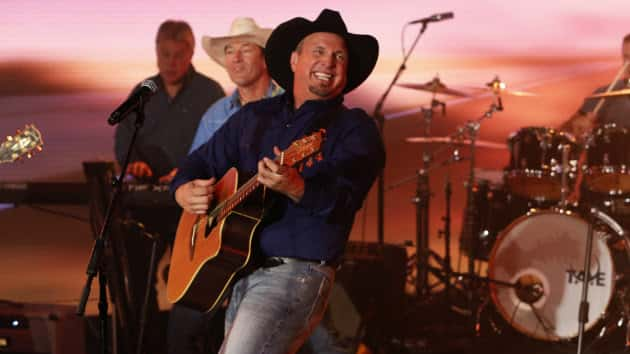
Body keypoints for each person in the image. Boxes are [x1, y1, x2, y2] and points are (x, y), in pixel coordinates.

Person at [170, 8, 384, 354]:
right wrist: (182, 189)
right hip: (240, 272)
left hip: (296, 274)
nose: (328, 62)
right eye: (319, 52)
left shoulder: (354, 129)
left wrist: (298, 187)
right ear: (295, 59)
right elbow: (199, 161)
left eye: (339, 56)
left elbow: (345, 200)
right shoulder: (255, 116)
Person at [111, 19, 224, 353]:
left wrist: (186, 171)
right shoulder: (142, 92)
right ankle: (145, 341)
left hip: (194, 204)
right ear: (156, 53)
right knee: (136, 277)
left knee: (190, 280)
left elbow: (221, 147)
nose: (171, 63)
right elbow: (124, 144)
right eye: (165, 54)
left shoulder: (210, 93)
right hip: (147, 203)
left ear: (190, 54)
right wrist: (135, 164)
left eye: (178, 55)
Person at [167, 17, 279, 354]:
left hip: (271, 247)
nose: (236, 57)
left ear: (265, 57)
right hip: (219, 246)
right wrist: (184, 191)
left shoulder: (289, 109)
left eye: (247, 49)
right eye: (230, 51)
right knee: (180, 331)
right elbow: (191, 168)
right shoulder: (216, 114)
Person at [561, 33, 630, 138]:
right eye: (626, 57)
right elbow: (564, 131)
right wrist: (576, 125)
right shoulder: (606, 94)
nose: (628, 63)